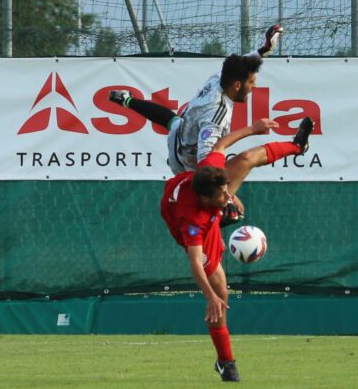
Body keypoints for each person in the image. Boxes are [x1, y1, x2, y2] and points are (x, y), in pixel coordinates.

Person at [160, 115, 314, 382]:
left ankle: (297, 147)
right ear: (206, 199)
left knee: (245, 159)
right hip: (185, 222)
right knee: (221, 293)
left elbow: (220, 145)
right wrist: (209, 296)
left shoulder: (209, 175)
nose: (227, 194)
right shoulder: (192, 221)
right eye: (223, 194)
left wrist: (254, 129)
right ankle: (225, 362)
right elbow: (195, 262)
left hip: (200, 200)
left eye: (227, 191)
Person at [109, 25, 284, 225]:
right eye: (252, 83)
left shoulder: (220, 78)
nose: (254, 88)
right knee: (236, 211)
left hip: (183, 130)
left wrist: (264, 50)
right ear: (237, 85)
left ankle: (127, 100)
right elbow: (206, 163)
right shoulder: (216, 116)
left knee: (172, 120)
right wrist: (225, 199)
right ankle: (206, 232)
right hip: (188, 166)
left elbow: (239, 65)